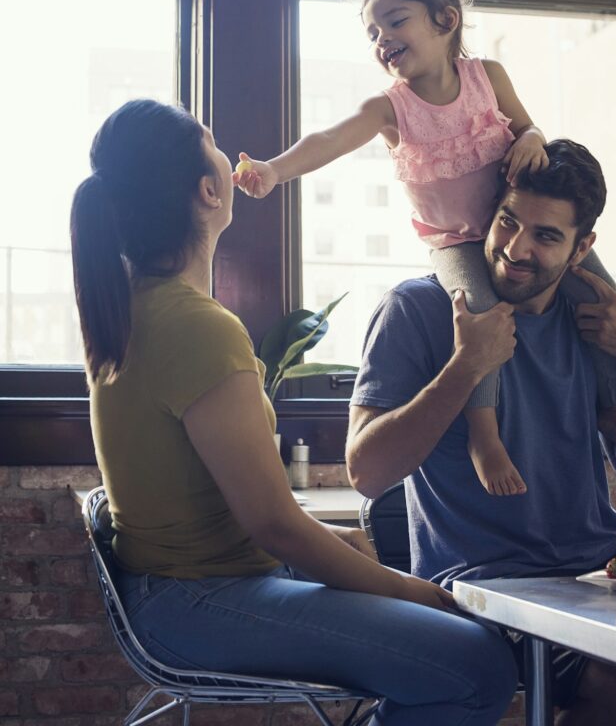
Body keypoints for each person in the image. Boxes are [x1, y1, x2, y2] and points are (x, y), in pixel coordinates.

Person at [69, 98, 519, 726]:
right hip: (195, 602)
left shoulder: (135, 310)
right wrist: (422, 595)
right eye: (215, 143)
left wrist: (353, 554)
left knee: (424, 629)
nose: (231, 158)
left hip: (187, 590)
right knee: (478, 665)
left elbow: (237, 519)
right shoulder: (195, 327)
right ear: (208, 190)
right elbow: (275, 526)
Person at [233, 0, 616, 497]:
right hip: (456, 242)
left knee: (604, 296)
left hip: (506, 228)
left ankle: (614, 410)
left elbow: (528, 126)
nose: (382, 40)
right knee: (479, 315)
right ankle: (484, 435)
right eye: (372, 34)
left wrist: (534, 139)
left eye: (395, 22)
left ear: (446, 20)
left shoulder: (488, 77)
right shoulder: (390, 110)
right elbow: (329, 139)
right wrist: (272, 170)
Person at [346, 139, 616, 725]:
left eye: (546, 236)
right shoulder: (417, 310)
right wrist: (465, 367)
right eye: (507, 222)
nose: (516, 248)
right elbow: (366, 472)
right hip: (480, 588)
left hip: (596, 569)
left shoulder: (595, 324)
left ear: (583, 249)